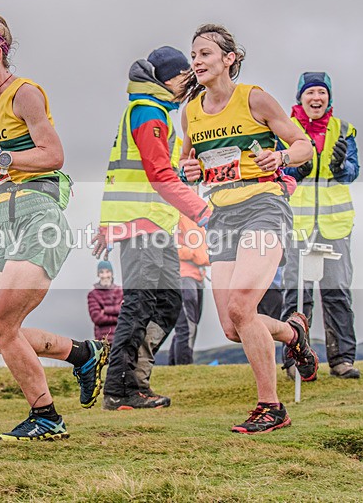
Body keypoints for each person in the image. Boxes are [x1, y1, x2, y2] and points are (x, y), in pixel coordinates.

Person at [0, 14, 108, 441]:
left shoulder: (26, 93)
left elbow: (52, 155)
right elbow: (7, 158)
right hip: (6, 220)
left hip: (39, 217)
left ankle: (47, 417)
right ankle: (82, 353)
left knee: (2, 328)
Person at [178, 24, 317, 433]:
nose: (197, 62)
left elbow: (303, 144)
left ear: (228, 59)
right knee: (232, 325)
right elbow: (189, 165)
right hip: (221, 216)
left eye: (205, 54)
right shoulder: (191, 112)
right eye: (194, 55)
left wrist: (283, 158)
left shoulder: (253, 97)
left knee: (242, 306)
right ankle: (293, 335)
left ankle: (271, 407)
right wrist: (189, 169)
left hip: (263, 206)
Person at [92, 46, 212, 410]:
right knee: (140, 303)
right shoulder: (148, 111)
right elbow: (158, 176)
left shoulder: (157, 112)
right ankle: (119, 389)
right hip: (139, 224)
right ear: (166, 79)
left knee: (168, 303)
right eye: (182, 76)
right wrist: (204, 211)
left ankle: (136, 382)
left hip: (154, 224)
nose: (188, 81)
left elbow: (143, 172)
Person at [279, 72, 361, 380]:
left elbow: (353, 173)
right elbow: (276, 170)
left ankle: (342, 359)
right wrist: (295, 169)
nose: (316, 98)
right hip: (297, 224)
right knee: (297, 294)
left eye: (322, 92)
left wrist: (343, 166)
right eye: (310, 92)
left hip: (335, 224)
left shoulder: (343, 129)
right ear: (300, 97)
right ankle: (293, 361)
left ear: (329, 98)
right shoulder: (284, 128)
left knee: (336, 291)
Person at [168, 214, 210, 365]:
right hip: (183, 275)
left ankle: (175, 368)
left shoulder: (199, 215)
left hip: (198, 275)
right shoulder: (175, 213)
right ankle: (184, 367)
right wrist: (194, 254)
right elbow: (168, 243)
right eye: (188, 187)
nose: (193, 188)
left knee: (191, 325)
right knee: (186, 326)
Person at [87, 260, 123, 343]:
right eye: (101, 272)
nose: (105, 275)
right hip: (103, 341)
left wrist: (106, 310)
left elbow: (126, 312)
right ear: (98, 274)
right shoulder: (93, 294)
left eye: (107, 272)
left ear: (112, 273)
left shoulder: (120, 291)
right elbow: (97, 318)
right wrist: (118, 317)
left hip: (121, 338)